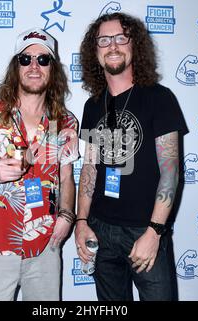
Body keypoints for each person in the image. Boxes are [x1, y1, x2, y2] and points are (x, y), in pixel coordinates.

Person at [0, 27, 79, 301]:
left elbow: (67, 177)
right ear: (16, 66)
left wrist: (67, 216)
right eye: (26, 59)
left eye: (43, 59)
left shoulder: (66, 122)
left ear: (53, 69)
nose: (34, 66)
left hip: (46, 244)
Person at [75, 12, 188, 301]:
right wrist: (81, 221)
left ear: (134, 45)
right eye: (104, 40)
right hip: (100, 230)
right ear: (95, 51)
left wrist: (154, 232)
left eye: (120, 38)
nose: (112, 45)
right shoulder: (92, 106)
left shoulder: (159, 98)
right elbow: (90, 168)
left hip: (144, 230)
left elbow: (170, 172)